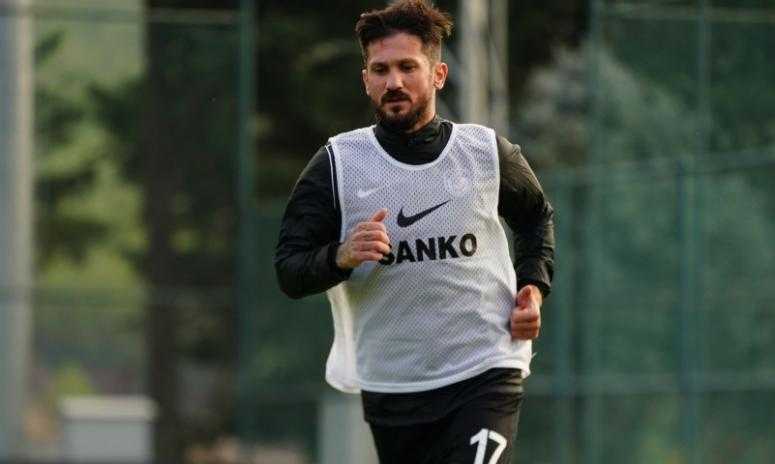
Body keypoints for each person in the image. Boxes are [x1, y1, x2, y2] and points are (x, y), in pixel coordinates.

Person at [274, 1, 554, 462]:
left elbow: (535, 217)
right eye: (380, 70)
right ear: (366, 80)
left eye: (407, 67)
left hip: (485, 368)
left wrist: (532, 289)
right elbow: (289, 269)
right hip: (394, 386)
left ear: (438, 74)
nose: (394, 82)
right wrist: (341, 256)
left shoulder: (485, 153)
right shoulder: (337, 165)